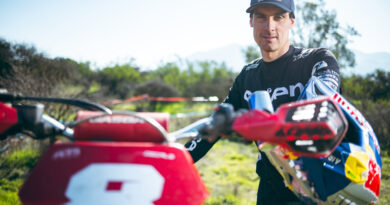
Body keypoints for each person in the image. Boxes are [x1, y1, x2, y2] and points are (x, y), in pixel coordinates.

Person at [185, 0, 341, 204]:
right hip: (270, 190)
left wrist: (257, 122)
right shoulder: (247, 76)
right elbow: (213, 128)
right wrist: (174, 159)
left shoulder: (317, 60)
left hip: (320, 189)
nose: (270, 27)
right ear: (251, 21)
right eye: (261, 17)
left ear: (291, 21)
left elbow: (322, 103)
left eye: (279, 17)